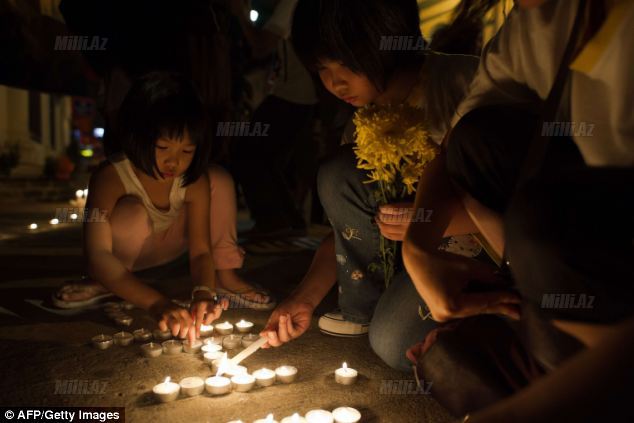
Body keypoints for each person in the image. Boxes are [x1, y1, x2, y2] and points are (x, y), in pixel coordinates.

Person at [403, 0, 634, 420]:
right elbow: (458, 140)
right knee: (478, 140)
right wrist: (416, 248)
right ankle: (543, 330)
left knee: (540, 219)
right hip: (572, 247)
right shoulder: (537, 18)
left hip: (595, 248)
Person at [258, 0, 483, 371]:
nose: (334, 82)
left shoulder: (461, 84)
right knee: (338, 172)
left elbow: (520, 200)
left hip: (481, 251)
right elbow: (348, 230)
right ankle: (368, 308)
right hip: (409, 258)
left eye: (345, 62)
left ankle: (497, 310)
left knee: (395, 344)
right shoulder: (364, 121)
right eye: (322, 69)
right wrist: (303, 299)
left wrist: (431, 220)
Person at [53, 72, 275, 332]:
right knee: (132, 213)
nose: (174, 162)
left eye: (187, 151)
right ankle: (108, 282)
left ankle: (223, 275)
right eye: (162, 148)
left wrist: (203, 292)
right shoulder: (111, 177)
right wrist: (157, 303)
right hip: (121, 255)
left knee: (219, 178)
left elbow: (201, 250)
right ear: (140, 137)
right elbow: (98, 254)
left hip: (169, 245)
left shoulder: (192, 180)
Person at [228, 0, 318, 238]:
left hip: (295, 93)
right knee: (266, 156)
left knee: (246, 151)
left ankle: (274, 221)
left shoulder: (289, 4)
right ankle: (288, 220)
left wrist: (241, 14)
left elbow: (261, 47)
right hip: (298, 94)